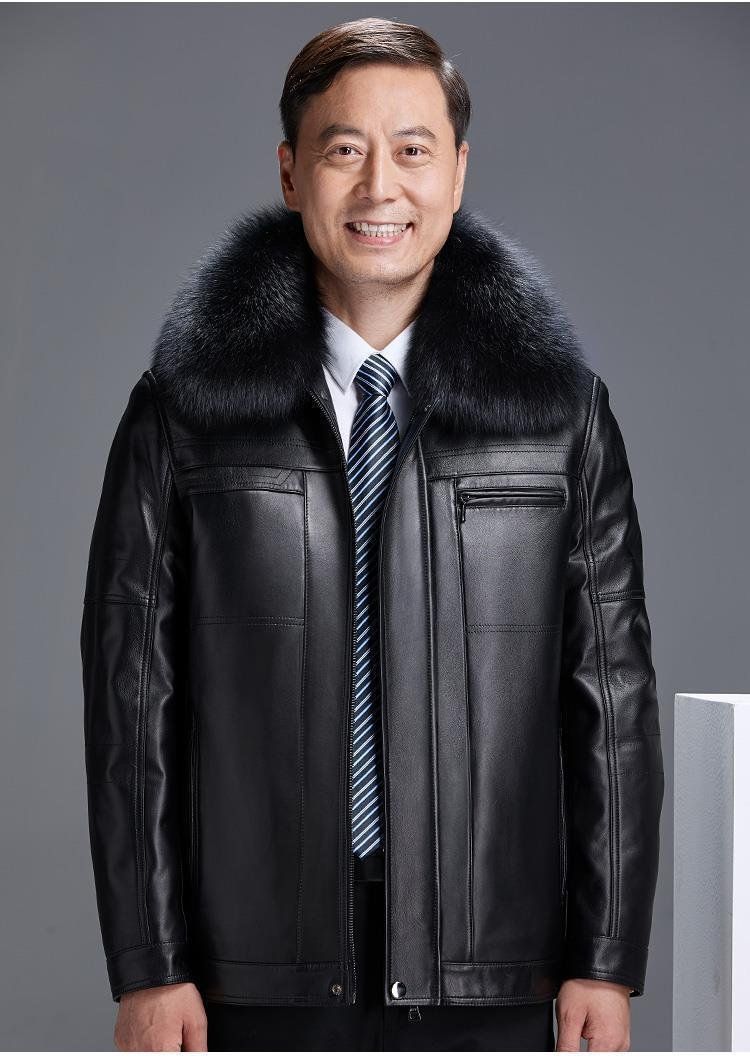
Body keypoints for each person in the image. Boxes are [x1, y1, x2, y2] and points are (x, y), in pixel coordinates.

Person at [80, 16, 664, 1052]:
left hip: (493, 971)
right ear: (291, 173)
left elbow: (610, 702)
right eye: (344, 149)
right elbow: (133, 705)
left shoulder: (558, 416)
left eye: (413, 149)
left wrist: (606, 958)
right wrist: (150, 963)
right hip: (249, 974)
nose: (380, 187)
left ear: (458, 172)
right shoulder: (184, 412)